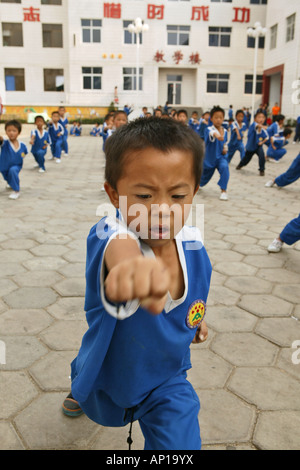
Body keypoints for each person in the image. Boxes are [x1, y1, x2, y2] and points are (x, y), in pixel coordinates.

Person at [63, 117, 212, 451]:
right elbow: (119, 248)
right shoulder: (112, 233)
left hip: (167, 377)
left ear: (194, 192)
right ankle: (79, 383)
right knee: (92, 374)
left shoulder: (193, 244)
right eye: (144, 195)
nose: (161, 210)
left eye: (177, 195)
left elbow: (192, 297)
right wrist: (131, 267)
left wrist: (196, 320)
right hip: (114, 372)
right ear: (114, 194)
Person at [200, 106, 229, 201]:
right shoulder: (208, 129)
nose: (218, 120)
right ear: (211, 119)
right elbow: (212, 133)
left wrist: (225, 149)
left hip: (220, 158)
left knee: (225, 167)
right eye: (216, 117)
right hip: (209, 160)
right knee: (202, 181)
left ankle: (223, 191)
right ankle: (196, 184)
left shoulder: (224, 131)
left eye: (220, 117)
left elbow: (225, 143)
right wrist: (217, 135)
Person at [0, 120, 28, 199]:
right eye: (9, 130)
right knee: (8, 177)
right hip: (3, 167)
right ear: (6, 132)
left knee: (13, 171)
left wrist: (20, 157)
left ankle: (16, 191)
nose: (11, 133)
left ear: (19, 132)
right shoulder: (4, 143)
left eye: (14, 131)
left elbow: (24, 152)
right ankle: (11, 183)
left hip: (16, 165)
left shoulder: (22, 144)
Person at [236, 111, 269, 176]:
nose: (261, 119)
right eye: (259, 117)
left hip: (258, 146)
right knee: (246, 160)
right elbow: (257, 126)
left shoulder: (263, 130)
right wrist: (262, 126)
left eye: (263, 117)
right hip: (251, 147)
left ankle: (262, 170)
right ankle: (240, 164)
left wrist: (262, 142)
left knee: (262, 156)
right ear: (255, 119)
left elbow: (266, 137)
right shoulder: (253, 125)